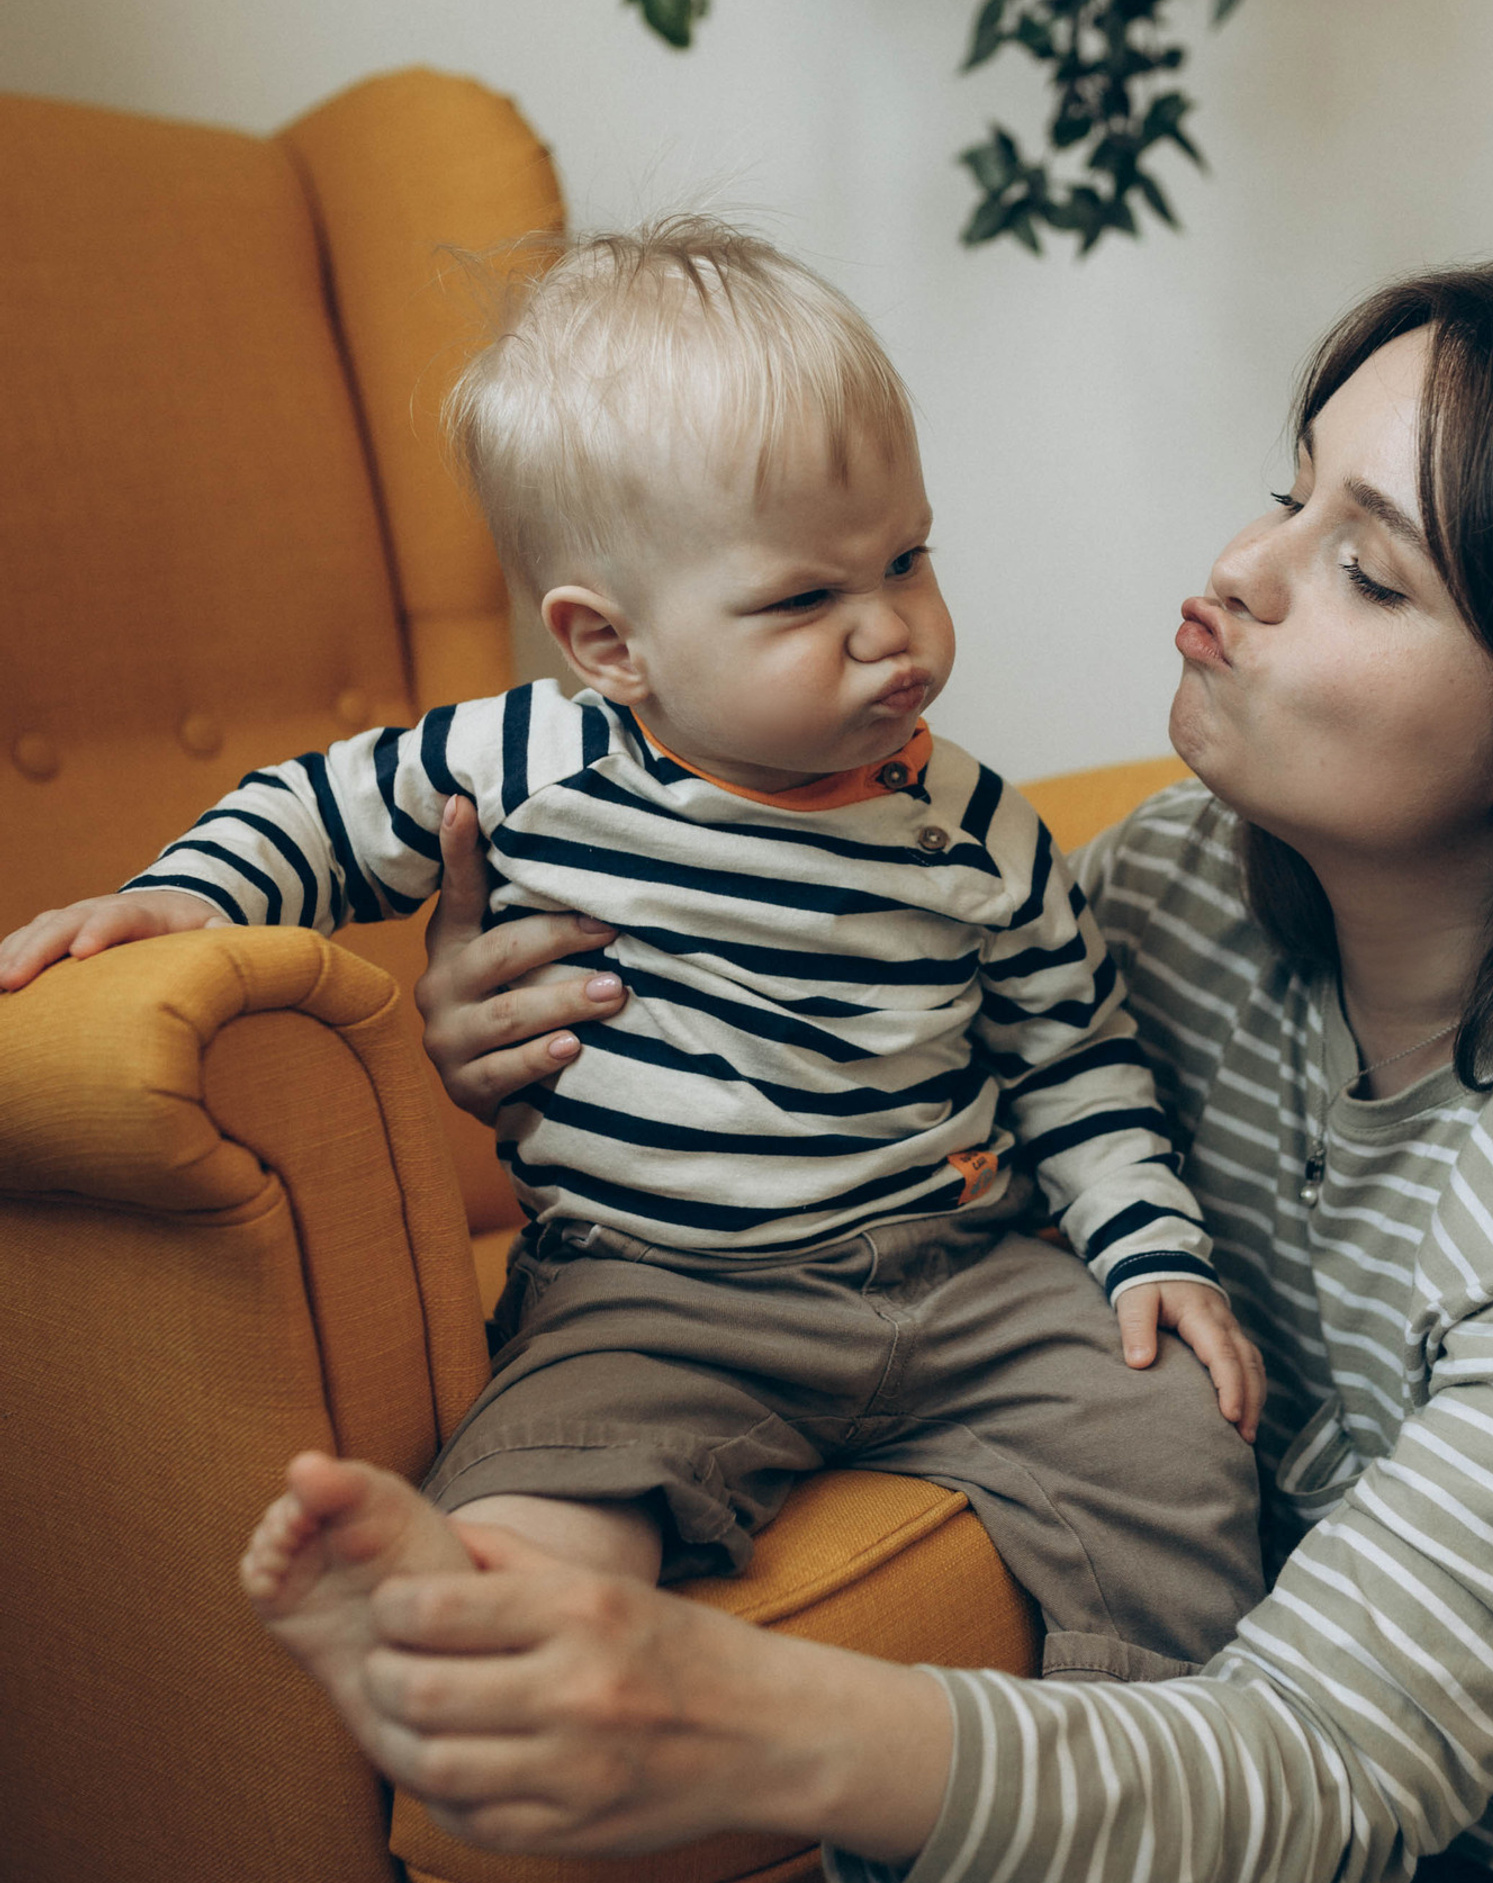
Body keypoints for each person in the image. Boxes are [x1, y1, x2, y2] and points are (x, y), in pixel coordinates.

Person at [207, 256, 1493, 1883]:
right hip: (1394, 1787)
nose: (1239, 568)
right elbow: (895, 1066)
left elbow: (1315, 1776)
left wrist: (717, 1711)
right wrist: (535, 1011)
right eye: (1288, 493)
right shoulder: (1182, 887)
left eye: (1371, 576)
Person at [0, 219, 1269, 1701]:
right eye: (807, 600)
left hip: (964, 1274)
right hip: (654, 1292)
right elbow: (313, 812)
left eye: (909, 558)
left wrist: (1147, 1248)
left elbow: (1077, 1051)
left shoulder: (971, 820)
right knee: (551, 1476)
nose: (895, 632)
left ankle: (1128, 1774)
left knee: (1178, 1436)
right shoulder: (533, 759)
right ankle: (481, 1640)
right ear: (610, 644)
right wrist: (184, 900)